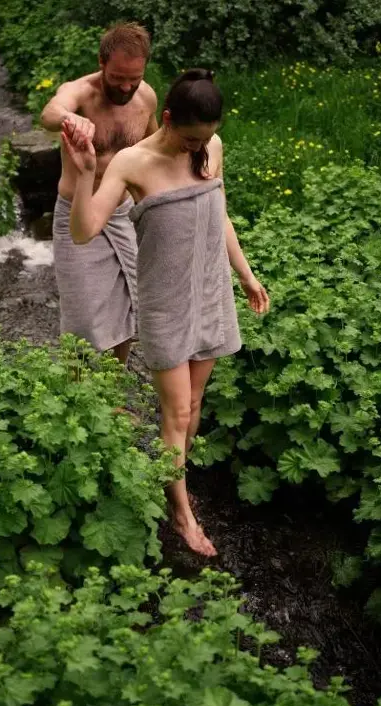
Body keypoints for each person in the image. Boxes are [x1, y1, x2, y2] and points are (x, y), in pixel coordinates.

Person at [62, 69, 270, 557]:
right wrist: (87, 173)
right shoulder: (132, 162)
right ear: (169, 118)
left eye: (207, 138)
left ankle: (172, 481)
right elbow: (83, 231)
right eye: (191, 138)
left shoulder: (210, 148)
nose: (198, 148)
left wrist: (245, 275)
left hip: (209, 293)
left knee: (192, 406)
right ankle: (181, 514)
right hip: (165, 304)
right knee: (175, 411)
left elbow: (220, 215)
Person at [41, 23, 158, 364]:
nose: (126, 86)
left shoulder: (146, 98)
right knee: (81, 318)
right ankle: (76, 388)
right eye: (118, 77)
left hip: (122, 212)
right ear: (102, 62)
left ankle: (115, 384)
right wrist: (70, 119)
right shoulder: (80, 93)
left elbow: (155, 148)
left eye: (134, 78)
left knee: (127, 300)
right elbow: (49, 114)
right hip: (77, 214)